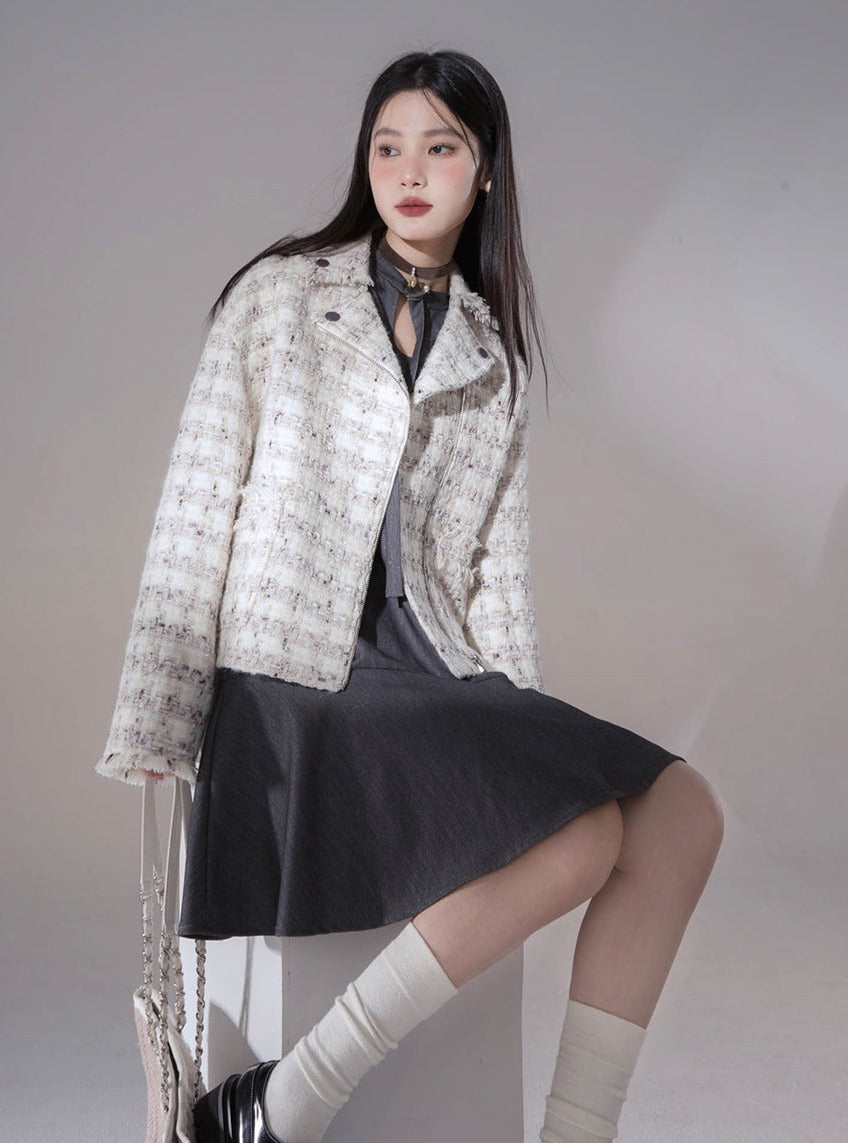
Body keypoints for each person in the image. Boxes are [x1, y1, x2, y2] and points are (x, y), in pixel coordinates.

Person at [96, 47, 725, 1143]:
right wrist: (156, 714)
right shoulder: (279, 298)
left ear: (485, 171)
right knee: (585, 836)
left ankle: (570, 1131)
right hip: (292, 685)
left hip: (432, 674)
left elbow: (495, 573)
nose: (409, 171)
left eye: (440, 147)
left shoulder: (491, 353)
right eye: (388, 147)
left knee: (681, 814)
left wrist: (520, 752)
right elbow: (196, 504)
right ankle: (288, 1101)